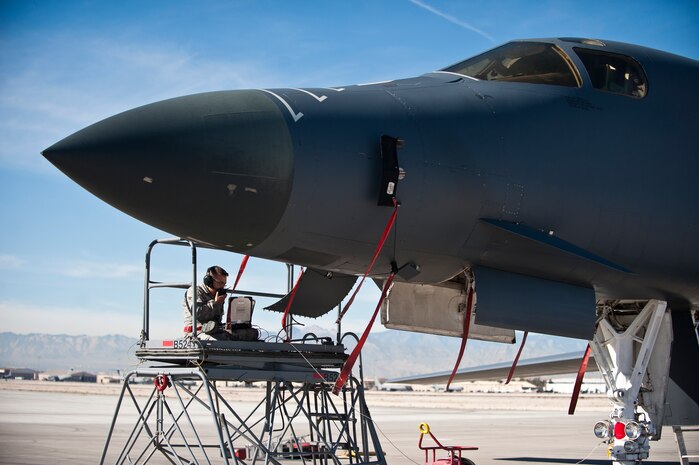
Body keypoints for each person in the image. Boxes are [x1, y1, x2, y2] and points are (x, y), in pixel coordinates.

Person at [182, 266, 258, 341]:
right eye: (220, 283)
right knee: (221, 341)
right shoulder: (195, 291)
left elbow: (217, 319)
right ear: (209, 281)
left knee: (252, 333)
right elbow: (198, 314)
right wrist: (215, 303)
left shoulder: (217, 294)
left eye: (224, 284)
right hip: (197, 332)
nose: (222, 287)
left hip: (216, 331)